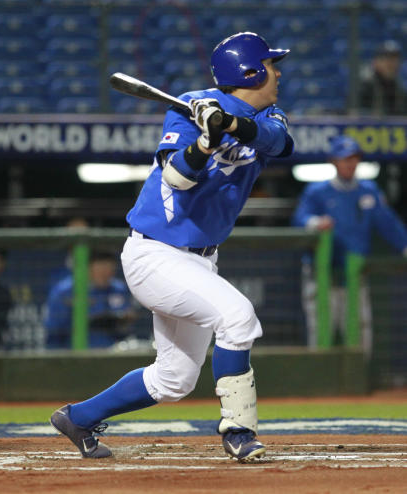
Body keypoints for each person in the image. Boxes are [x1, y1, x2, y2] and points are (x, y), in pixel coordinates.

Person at [50, 32, 293, 462]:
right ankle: (239, 431)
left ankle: (78, 417)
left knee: (174, 380)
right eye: (271, 66)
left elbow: (279, 143)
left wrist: (228, 124)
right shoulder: (187, 107)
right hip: (155, 255)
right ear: (251, 72)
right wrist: (205, 142)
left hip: (201, 261)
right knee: (238, 317)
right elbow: (177, 178)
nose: (277, 73)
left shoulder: (271, 115)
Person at [292, 135, 407, 356]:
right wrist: (315, 222)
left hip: (354, 275)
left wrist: (404, 245)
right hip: (321, 274)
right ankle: (320, 384)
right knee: (321, 330)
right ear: (333, 161)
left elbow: (388, 223)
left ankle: (358, 385)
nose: (350, 163)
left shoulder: (368, 190)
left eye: (354, 158)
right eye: (345, 159)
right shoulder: (317, 191)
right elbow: (300, 218)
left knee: (360, 332)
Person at [45, 250, 137, 349]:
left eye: (109, 270)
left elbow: (126, 331)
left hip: (112, 352)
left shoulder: (119, 289)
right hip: (73, 352)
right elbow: (53, 330)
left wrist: (123, 321)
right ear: (88, 268)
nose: (105, 274)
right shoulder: (65, 290)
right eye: (101, 270)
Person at [357, 40, 407, 116]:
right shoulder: (365, 85)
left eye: (394, 59)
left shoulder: (400, 88)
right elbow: (354, 114)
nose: (391, 63)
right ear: (375, 62)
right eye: (386, 59)